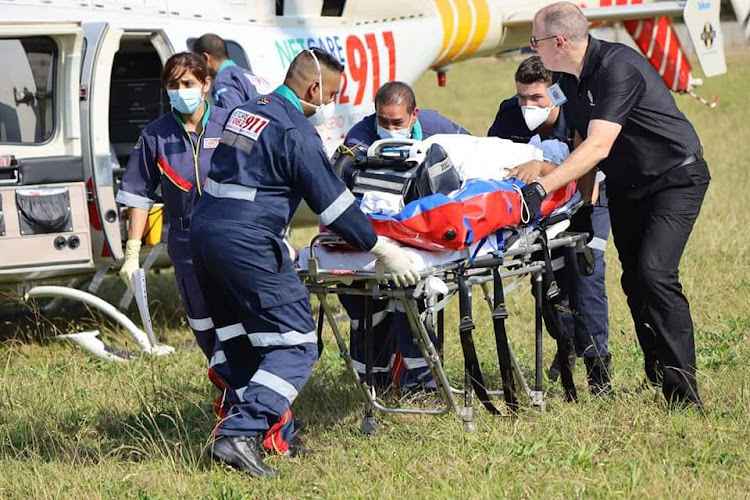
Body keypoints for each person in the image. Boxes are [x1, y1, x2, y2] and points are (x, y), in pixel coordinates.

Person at [189, 48, 421, 477]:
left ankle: (268, 441)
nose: (329, 105)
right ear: (314, 88)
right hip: (247, 242)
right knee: (296, 344)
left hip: (204, 235)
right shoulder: (296, 130)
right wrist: (383, 250)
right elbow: (332, 206)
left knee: (244, 340)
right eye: (330, 96)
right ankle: (241, 433)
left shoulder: (244, 112)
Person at [519, 2, 710, 409]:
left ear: (558, 41)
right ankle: (658, 372)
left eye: (535, 42)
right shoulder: (566, 79)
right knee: (633, 281)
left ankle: (684, 395)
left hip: (674, 178)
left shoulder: (617, 67)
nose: (532, 49)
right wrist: (582, 213)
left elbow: (599, 143)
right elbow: (579, 145)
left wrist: (541, 188)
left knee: (655, 273)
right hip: (626, 185)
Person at [489, 55, 612, 394]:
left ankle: (598, 368)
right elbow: (494, 157)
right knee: (545, 282)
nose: (527, 105)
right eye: (522, 97)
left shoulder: (578, 112)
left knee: (586, 277)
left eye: (536, 99)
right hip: (538, 208)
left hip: (588, 199)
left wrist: (542, 166)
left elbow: (587, 165)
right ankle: (566, 344)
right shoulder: (509, 114)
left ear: (555, 95)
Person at [339, 81, 469, 395]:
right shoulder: (359, 140)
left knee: (414, 303)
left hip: (424, 229)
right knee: (369, 313)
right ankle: (375, 384)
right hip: (374, 234)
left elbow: (468, 155)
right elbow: (341, 192)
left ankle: (420, 387)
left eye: (398, 123)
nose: (389, 129)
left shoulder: (438, 127)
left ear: (415, 116)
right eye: (382, 122)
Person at [117, 52, 230, 364]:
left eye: (188, 83)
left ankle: (241, 393)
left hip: (229, 238)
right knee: (203, 323)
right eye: (173, 85)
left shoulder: (230, 125)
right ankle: (223, 381)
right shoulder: (155, 135)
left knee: (235, 321)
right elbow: (139, 193)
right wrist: (132, 251)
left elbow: (258, 178)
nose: (181, 91)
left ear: (206, 83)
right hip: (185, 242)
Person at [192, 33, 272, 109]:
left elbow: (233, 118)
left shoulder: (224, 81)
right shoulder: (249, 75)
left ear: (205, 58)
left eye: (197, 62)